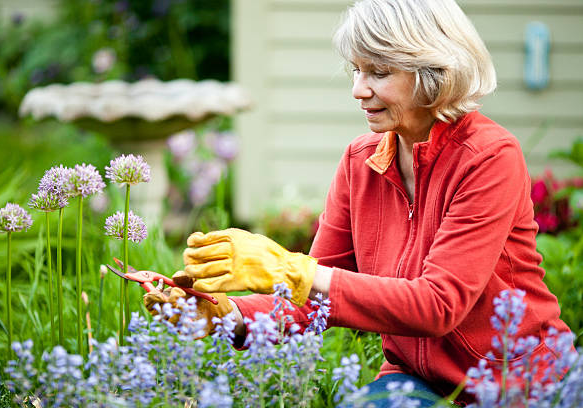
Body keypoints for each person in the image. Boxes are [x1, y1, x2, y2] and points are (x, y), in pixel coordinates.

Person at [144, 0, 572, 405]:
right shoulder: (360, 161)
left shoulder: (489, 157)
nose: (357, 89)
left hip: (516, 381)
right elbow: (313, 299)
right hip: (415, 380)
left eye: (379, 72)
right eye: (355, 70)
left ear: (434, 72)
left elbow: (439, 305)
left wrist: (292, 269)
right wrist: (222, 314)